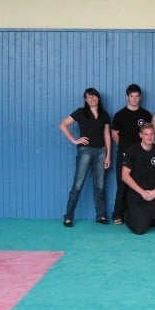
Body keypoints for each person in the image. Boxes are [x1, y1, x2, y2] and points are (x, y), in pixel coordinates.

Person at [60, 87, 112, 227]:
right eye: (89, 97)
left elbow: (107, 135)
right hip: (85, 151)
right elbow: (63, 124)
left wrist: (108, 155)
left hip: (101, 151)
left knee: (100, 185)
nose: (92, 99)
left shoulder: (104, 115)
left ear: (98, 98)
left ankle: (101, 215)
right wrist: (74, 140)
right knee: (78, 185)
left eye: (94, 96)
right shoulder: (80, 112)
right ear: (85, 99)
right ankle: (68, 216)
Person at [111, 84, 152, 225]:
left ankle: (136, 214)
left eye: (137, 96)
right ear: (127, 97)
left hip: (141, 155)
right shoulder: (119, 115)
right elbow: (114, 133)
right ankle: (118, 214)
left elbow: (148, 133)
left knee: (140, 184)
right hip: (124, 154)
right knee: (122, 184)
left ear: (140, 97)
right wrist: (124, 148)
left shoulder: (146, 115)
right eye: (131, 96)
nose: (134, 99)